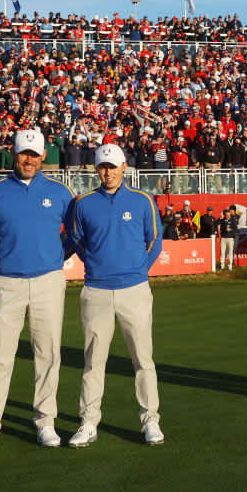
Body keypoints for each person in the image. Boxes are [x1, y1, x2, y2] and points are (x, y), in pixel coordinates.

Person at [0, 129, 75, 456]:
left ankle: (45, 422)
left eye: (35, 154)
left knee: (47, 354)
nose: (29, 159)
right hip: (7, 283)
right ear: (14, 153)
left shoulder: (60, 192)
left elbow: (73, 233)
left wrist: (57, 257)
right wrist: (3, 260)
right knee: (0, 356)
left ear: (44, 156)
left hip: (48, 282)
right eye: (24, 153)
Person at [65, 144, 164, 448]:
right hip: (96, 290)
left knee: (143, 360)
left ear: (124, 167)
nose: (107, 172)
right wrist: (98, 267)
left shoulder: (143, 200)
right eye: (102, 167)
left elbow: (155, 240)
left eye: (112, 166)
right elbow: (77, 241)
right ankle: (88, 421)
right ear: (96, 169)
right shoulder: (83, 203)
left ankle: (150, 420)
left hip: (134, 289)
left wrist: (136, 271)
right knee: (94, 361)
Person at [218, 206, 239, 271]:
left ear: (230, 215)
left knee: (230, 252)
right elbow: (219, 228)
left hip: (230, 239)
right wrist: (224, 229)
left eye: (228, 215)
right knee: (222, 252)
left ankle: (230, 266)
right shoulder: (222, 221)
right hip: (223, 238)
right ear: (225, 215)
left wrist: (231, 229)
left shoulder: (233, 221)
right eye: (226, 215)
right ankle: (222, 266)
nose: (227, 216)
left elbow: (236, 230)